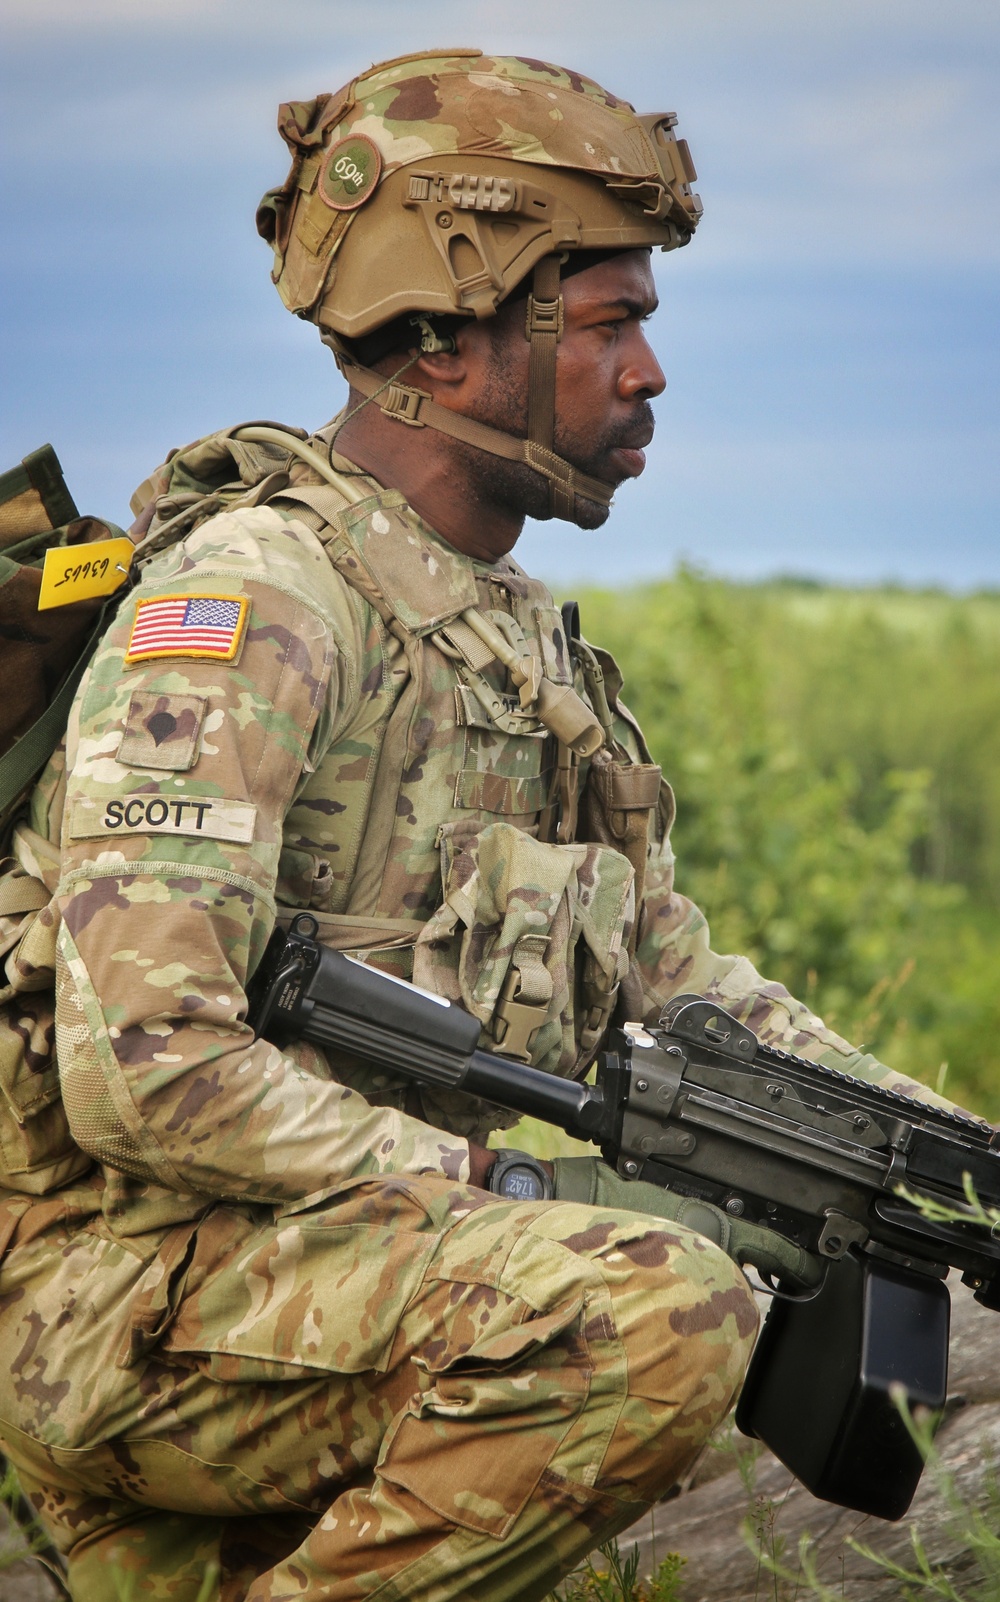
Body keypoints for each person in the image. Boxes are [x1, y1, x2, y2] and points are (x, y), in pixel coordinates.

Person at [0, 49, 957, 1602]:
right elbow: (144, 1070)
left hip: (314, 1278)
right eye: (609, 322)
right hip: (117, 1294)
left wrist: (942, 1158)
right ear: (453, 333)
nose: (649, 374)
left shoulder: (519, 648)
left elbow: (684, 996)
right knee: (659, 1304)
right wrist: (509, 1193)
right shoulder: (254, 600)